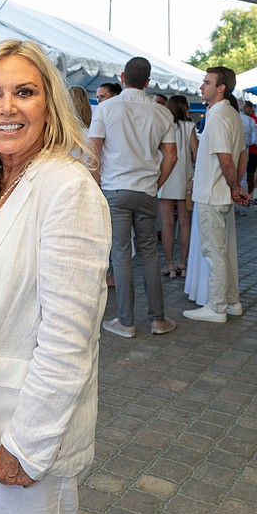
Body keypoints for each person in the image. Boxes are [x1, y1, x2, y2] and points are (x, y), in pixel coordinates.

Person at [0, 38, 109, 514]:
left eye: (25, 92)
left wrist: (28, 444)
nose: (7, 107)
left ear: (49, 105)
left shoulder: (66, 187)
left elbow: (69, 336)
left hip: (18, 422)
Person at [89, 56, 177, 339]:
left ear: (122, 77)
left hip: (115, 189)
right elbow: (171, 157)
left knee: (122, 254)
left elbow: (94, 155)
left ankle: (126, 322)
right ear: (148, 82)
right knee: (150, 254)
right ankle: (158, 319)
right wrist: (156, 183)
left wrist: (97, 187)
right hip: (146, 190)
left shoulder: (105, 108)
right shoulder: (162, 113)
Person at [183, 67, 249, 323]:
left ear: (221, 88)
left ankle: (217, 306)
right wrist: (237, 186)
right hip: (216, 190)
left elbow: (226, 160)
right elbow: (239, 155)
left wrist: (234, 187)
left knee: (214, 252)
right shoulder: (229, 113)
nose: (202, 86)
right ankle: (231, 302)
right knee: (220, 251)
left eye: (207, 82)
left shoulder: (220, 115)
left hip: (213, 193)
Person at [158, 95, 196, 277]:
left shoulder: (163, 126)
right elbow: (196, 154)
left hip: (164, 179)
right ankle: (183, 262)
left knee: (167, 224)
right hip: (185, 178)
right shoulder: (189, 127)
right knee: (184, 222)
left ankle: (170, 264)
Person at [243, 101, 257, 196]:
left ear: (251, 108)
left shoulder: (256, 120)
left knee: (251, 174)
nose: (245, 110)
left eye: (247, 107)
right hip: (245, 150)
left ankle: (250, 195)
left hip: (254, 150)